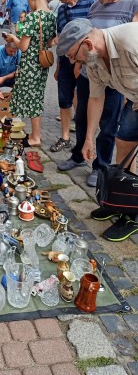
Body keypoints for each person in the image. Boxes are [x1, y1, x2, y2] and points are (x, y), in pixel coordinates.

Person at [57, 19, 138, 241]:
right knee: (123, 144)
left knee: (137, 161)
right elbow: (96, 98)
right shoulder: (93, 61)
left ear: (87, 44)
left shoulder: (131, 41)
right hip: (135, 99)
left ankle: (134, 216)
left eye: (73, 55)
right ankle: (121, 201)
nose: (74, 61)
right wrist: (89, 140)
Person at [50, 0, 96, 154]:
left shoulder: (91, 4)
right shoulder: (61, 10)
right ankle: (65, 137)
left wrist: (81, 63)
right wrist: (59, 67)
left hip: (85, 62)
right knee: (64, 99)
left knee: (84, 101)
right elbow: (62, 41)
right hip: (65, 61)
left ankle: (84, 141)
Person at [6, 0, 56, 147]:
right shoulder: (51, 16)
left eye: (29, 1)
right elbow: (50, 42)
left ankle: (35, 137)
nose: (29, 4)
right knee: (37, 97)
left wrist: (13, 37)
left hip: (30, 64)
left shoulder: (32, 17)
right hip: (42, 63)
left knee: (30, 98)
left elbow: (23, 46)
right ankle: (35, 134)